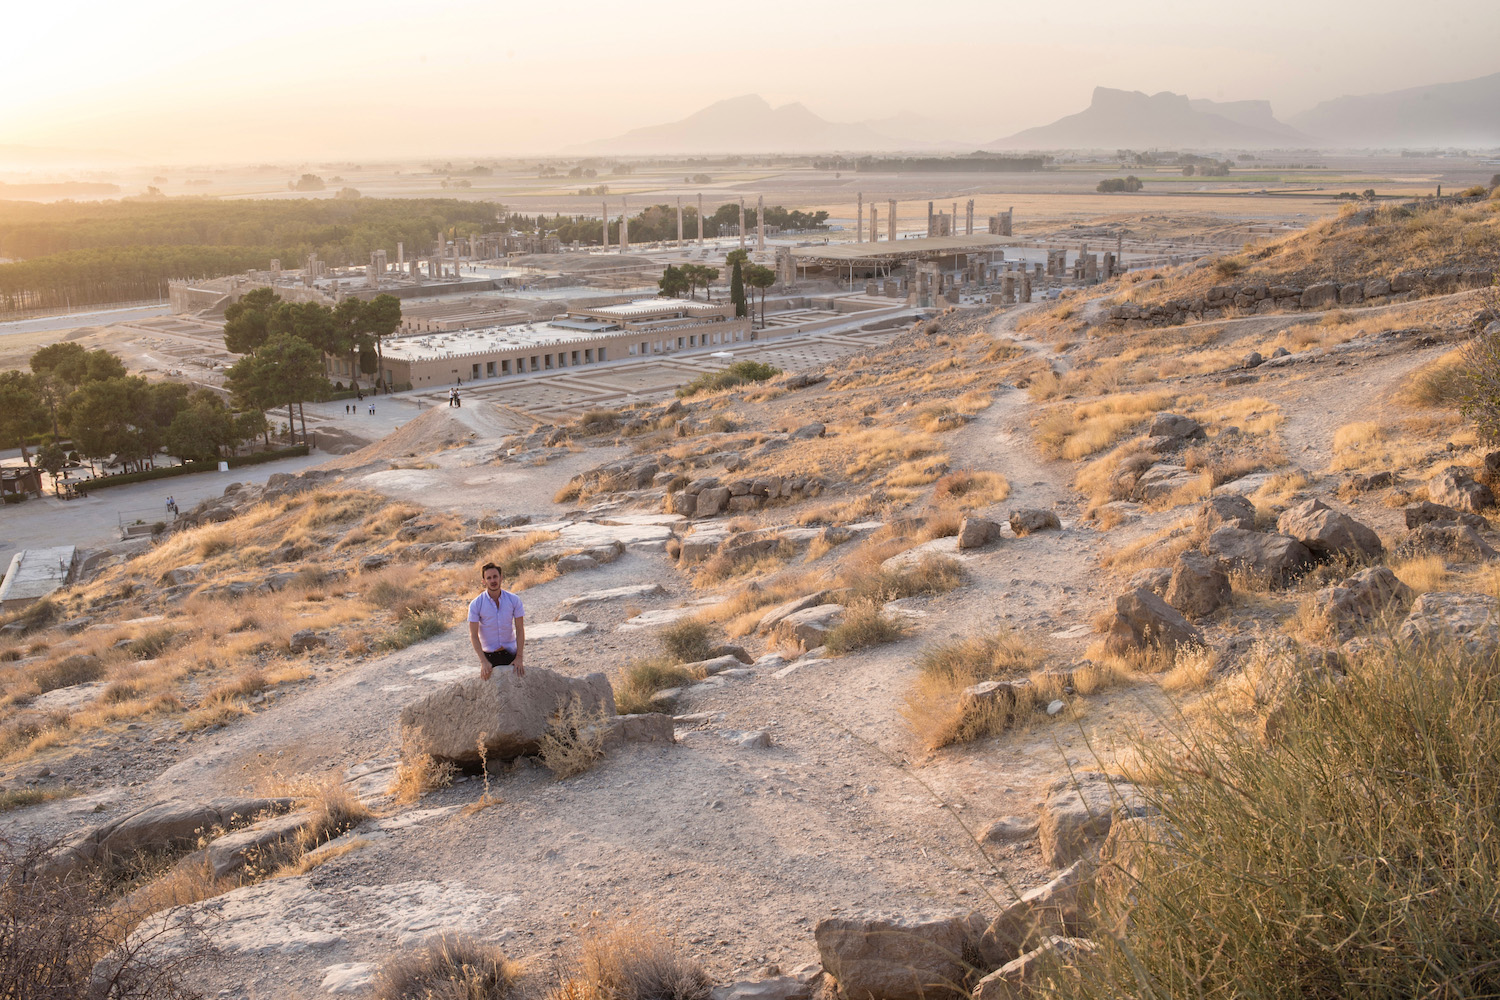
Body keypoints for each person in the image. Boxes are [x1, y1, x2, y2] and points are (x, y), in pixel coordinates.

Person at [468, 562, 524, 679]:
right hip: (489, 656)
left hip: (510, 653)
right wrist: (483, 661)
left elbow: (520, 629)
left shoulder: (514, 600)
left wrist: (519, 657)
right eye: (489, 578)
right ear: (484, 581)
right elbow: (473, 635)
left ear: (501, 577)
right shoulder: (476, 604)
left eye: (495, 576)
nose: (493, 580)